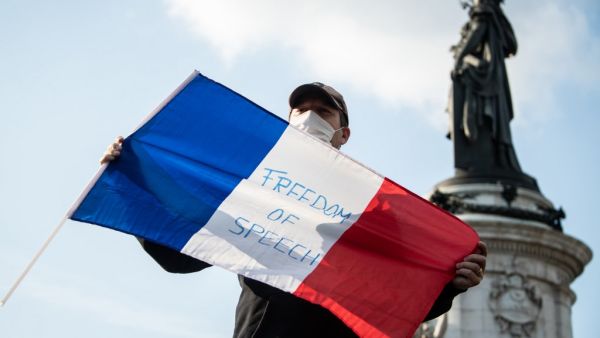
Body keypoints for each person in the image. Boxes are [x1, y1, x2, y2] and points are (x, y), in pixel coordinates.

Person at [101, 82, 487, 337]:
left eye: (323, 112)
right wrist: (136, 179)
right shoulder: (254, 192)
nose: (309, 118)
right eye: (300, 110)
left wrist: (449, 286)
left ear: (343, 134)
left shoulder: (376, 211)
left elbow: (397, 296)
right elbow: (179, 256)